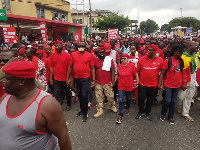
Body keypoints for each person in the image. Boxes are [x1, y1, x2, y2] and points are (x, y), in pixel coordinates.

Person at [0, 61, 72, 150]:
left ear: (22, 81)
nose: (3, 82)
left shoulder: (47, 104)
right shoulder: (5, 98)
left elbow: (63, 137)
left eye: (7, 79)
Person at [67, 41, 95, 122]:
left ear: (85, 47)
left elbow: (92, 68)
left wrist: (93, 80)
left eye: (82, 46)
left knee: (84, 95)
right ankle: (82, 110)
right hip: (76, 78)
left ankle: (85, 113)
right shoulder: (74, 54)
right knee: (79, 95)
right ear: (77, 47)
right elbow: (70, 67)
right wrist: (68, 77)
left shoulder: (89, 55)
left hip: (86, 78)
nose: (80, 47)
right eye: (79, 46)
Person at [135, 44, 163, 121]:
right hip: (142, 83)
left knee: (150, 100)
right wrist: (137, 81)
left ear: (155, 51)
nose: (148, 51)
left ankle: (148, 112)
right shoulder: (141, 59)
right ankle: (140, 111)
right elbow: (137, 71)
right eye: (148, 50)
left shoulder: (160, 60)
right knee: (141, 98)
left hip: (153, 84)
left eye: (151, 50)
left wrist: (160, 84)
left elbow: (162, 73)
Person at [158, 44, 184, 125]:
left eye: (181, 52)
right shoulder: (168, 61)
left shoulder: (181, 61)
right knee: (167, 101)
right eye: (179, 52)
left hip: (177, 84)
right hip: (168, 84)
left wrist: (183, 83)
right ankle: (163, 113)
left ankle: (171, 116)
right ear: (174, 52)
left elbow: (182, 72)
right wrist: (160, 84)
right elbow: (162, 74)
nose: (180, 54)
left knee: (173, 101)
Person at [176, 41, 200, 122]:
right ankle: (178, 106)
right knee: (180, 97)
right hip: (184, 81)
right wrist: (183, 82)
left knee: (189, 97)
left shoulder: (195, 57)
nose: (197, 48)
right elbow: (181, 71)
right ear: (190, 46)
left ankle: (185, 113)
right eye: (195, 46)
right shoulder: (183, 57)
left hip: (193, 81)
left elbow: (197, 70)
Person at [93, 47, 117, 118]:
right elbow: (93, 70)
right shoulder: (95, 60)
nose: (102, 54)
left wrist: (113, 81)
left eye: (103, 52)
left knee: (110, 96)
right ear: (97, 53)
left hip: (107, 82)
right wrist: (93, 80)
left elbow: (112, 70)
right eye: (100, 52)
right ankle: (100, 110)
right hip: (98, 81)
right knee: (98, 97)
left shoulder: (109, 60)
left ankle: (112, 105)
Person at [116, 54, 139, 124]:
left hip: (129, 85)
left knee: (129, 99)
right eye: (121, 58)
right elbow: (117, 75)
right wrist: (113, 82)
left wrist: (137, 83)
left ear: (128, 59)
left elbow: (136, 74)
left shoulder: (131, 66)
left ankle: (127, 107)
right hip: (121, 85)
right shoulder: (119, 66)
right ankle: (120, 115)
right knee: (120, 100)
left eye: (124, 58)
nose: (123, 60)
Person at [50, 40, 72, 111]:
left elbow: (69, 67)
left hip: (65, 78)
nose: (56, 47)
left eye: (58, 45)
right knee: (57, 92)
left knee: (67, 92)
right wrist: (51, 78)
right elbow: (51, 67)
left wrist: (68, 78)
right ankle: (59, 102)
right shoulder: (53, 55)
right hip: (56, 78)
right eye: (55, 46)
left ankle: (69, 104)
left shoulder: (67, 55)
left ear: (62, 46)